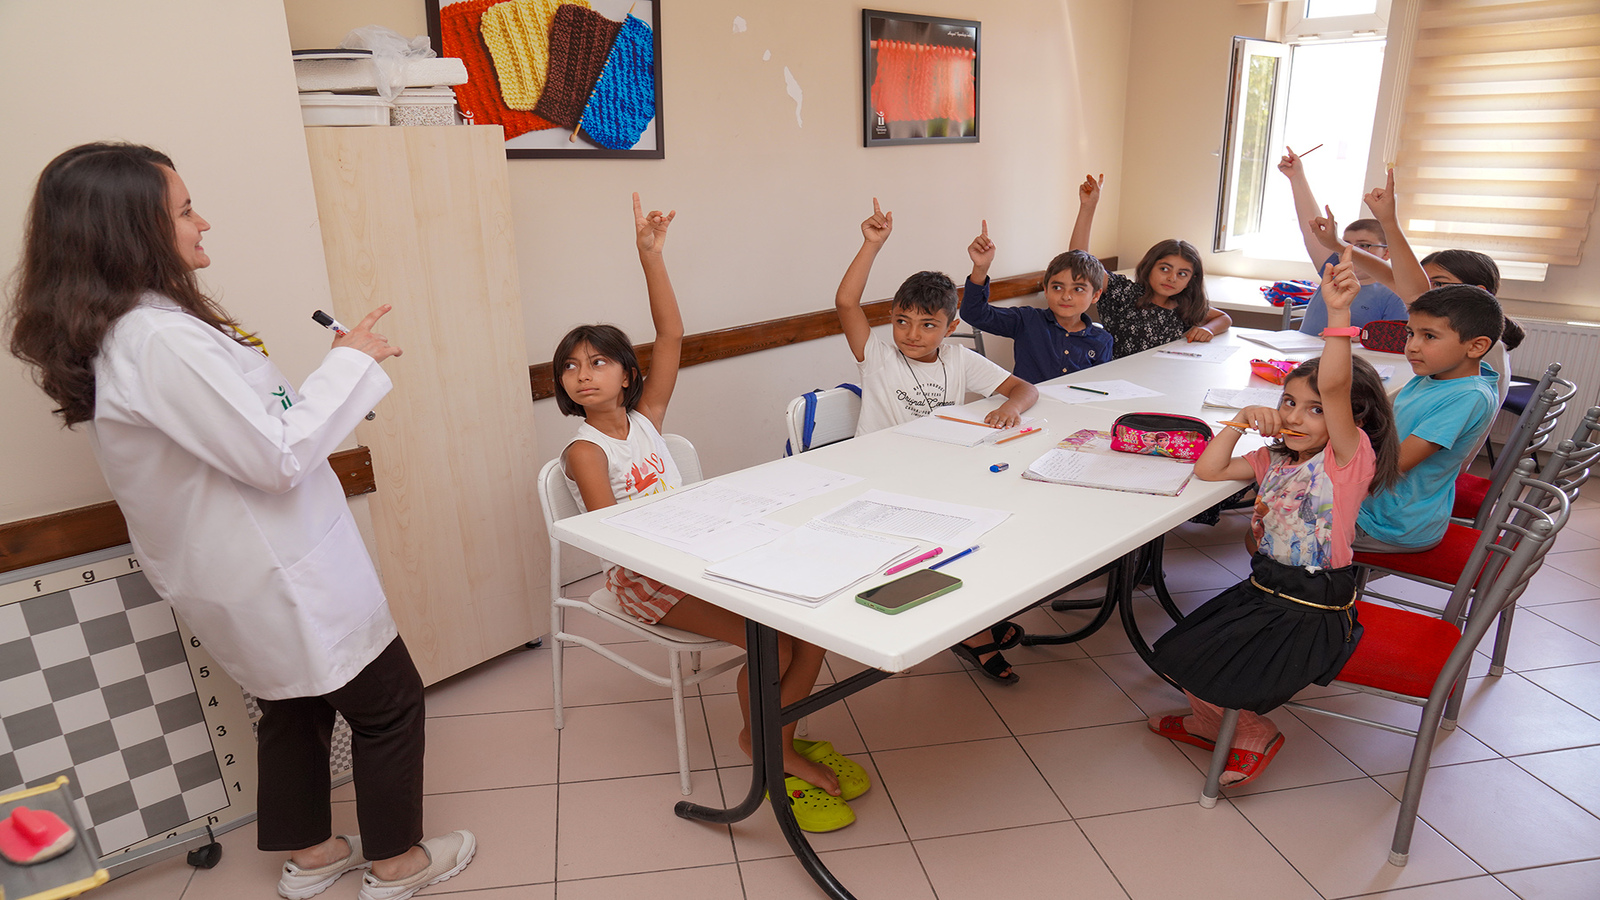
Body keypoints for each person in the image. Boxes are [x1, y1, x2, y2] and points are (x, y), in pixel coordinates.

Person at [5, 142, 473, 900]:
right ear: (131, 230)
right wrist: (351, 364)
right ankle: (396, 866)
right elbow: (275, 456)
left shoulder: (136, 333)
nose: (203, 223)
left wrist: (339, 373)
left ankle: (313, 857)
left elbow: (255, 429)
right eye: (185, 210)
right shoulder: (158, 340)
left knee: (292, 706)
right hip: (280, 570)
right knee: (388, 704)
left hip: (237, 570)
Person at [557, 194, 867, 833]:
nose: (582, 375)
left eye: (598, 362)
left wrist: (651, 257)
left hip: (702, 554)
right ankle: (767, 747)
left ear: (627, 375)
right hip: (647, 579)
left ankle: (772, 734)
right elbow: (612, 538)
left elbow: (671, 335)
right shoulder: (585, 450)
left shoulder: (647, 418)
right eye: (570, 367)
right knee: (773, 641)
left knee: (810, 627)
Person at [1147, 248, 1400, 786]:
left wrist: (1337, 314)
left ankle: (1253, 731)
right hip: (1264, 589)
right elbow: (1210, 471)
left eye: (1316, 410)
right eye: (1289, 403)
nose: (1296, 417)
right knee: (1177, 652)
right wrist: (1239, 420)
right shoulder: (1275, 458)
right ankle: (1208, 722)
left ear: (1350, 419)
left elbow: (1336, 385)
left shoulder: (1346, 461)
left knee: (1218, 667)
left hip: (1311, 607)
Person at [835, 199, 1041, 684]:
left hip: (936, 475)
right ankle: (973, 633)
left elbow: (1024, 389)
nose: (912, 334)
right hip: (881, 481)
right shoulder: (877, 357)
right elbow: (846, 304)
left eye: (928, 325)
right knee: (952, 538)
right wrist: (871, 244)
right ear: (891, 319)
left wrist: (1010, 408)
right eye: (902, 321)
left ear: (951, 328)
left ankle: (971, 618)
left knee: (989, 531)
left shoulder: (957, 359)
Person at [1352, 284, 1504, 552]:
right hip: (1378, 506)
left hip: (1389, 523)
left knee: (1279, 524)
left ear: (1476, 346)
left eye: (1429, 336)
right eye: (1411, 333)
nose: (1411, 346)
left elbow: (1396, 464)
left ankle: (1321, 574)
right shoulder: (1439, 375)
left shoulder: (1468, 396)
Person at [1070, 174, 1231, 357]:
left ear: (1191, 279)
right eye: (1164, 269)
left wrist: (1208, 329)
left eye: (1182, 274)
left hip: (1161, 370)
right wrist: (1088, 207)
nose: (1172, 278)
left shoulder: (1184, 305)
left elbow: (1224, 318)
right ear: (1149, 268)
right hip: (1118, 371)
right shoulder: (1124, 293)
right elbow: (1080, 262)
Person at [958, 222, 1114, 383]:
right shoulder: (1027, 320)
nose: (1066, 296)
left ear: (1095, 295)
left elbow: (1100, 386)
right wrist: (981, 268)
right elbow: (973, 313)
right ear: (1046, 290)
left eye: (1078, 289)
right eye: (1057, 287)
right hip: (1028, 399)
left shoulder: (1102, 340)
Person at [1277, 146, 1409, 335]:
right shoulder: (1333, 272)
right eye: (1345, 244)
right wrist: (1296, 176)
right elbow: (1311, 228)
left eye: (1364, 245)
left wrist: (1360, 336)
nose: (1350, 251)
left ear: (1387, 252)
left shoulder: (1396, 294)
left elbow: (1397, 342)